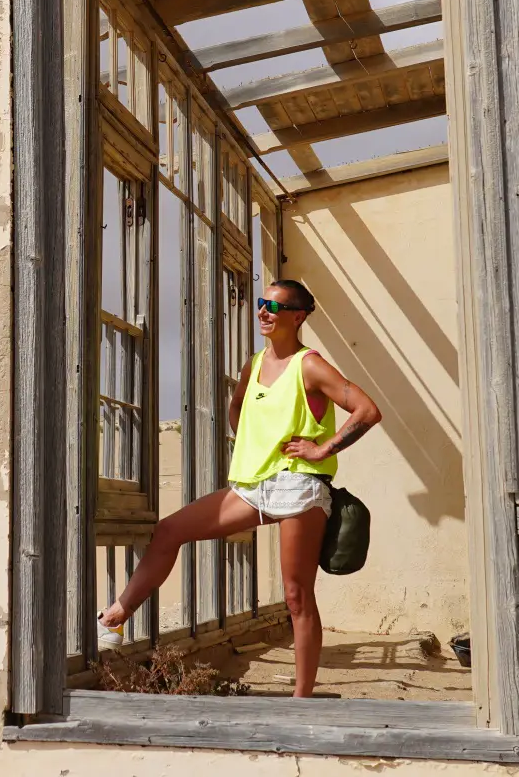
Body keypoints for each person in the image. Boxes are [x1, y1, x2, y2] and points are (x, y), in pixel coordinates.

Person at [98, 280, 382, 698]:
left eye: (274, 306)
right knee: (170, 530)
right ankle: (115, 618)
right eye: (261, 304)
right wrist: (252, 446)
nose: (263, 312)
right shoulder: (254, 365)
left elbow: (367, 410)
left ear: (298, 316)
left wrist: (322, 448)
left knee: (296, 595)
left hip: (298, 487)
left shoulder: (310, 366)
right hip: (251, 486)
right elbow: (236, 408)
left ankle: (302, 701)